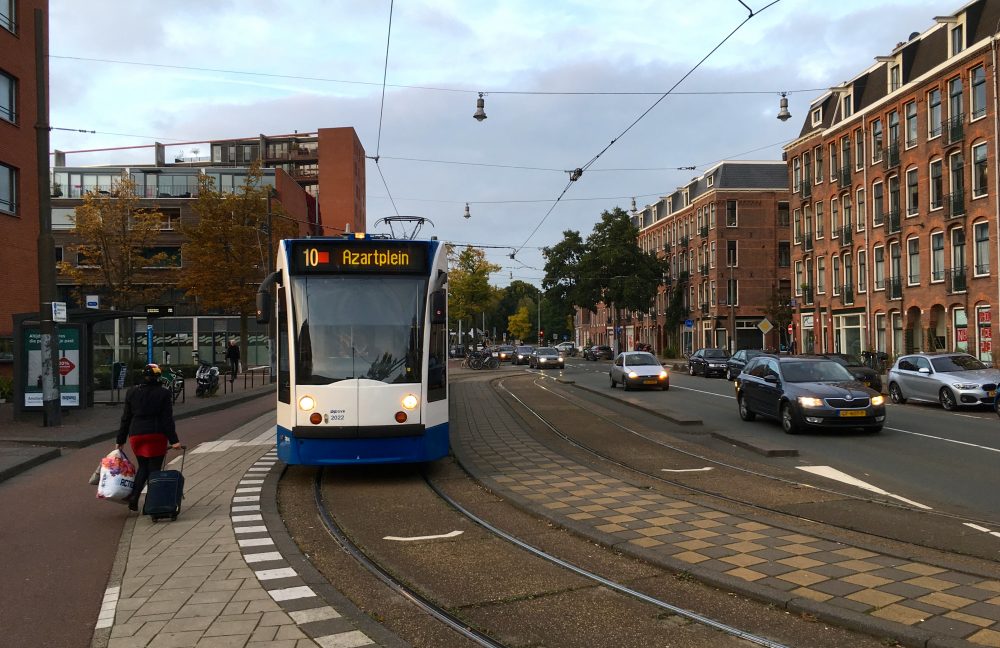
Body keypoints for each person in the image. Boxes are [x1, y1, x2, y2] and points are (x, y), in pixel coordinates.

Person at [116, 364, 181, 512]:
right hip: (156, 434)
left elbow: (126, 418)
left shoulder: (132, 392)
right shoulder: (163, 393)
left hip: (136, 434)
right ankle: (151, 504)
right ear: (158, 377)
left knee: (143, 466)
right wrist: (174, 440)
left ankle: (134, 497)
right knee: (155, 470)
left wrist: (120, 440)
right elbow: (167, 420)